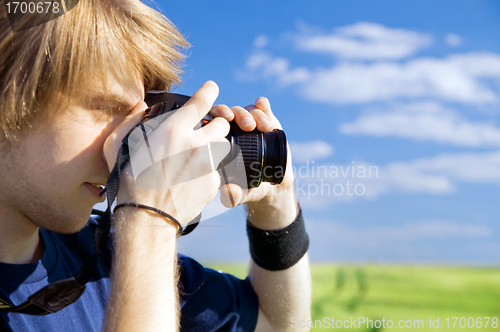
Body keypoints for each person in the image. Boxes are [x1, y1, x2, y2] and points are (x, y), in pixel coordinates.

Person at [0, 0, 311, 331]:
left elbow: (278, 325)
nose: (125, 146)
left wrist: (276, 205)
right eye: (105, 108)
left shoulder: (106, 257)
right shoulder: (139, 245)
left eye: (138, 120)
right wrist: (151, 221)